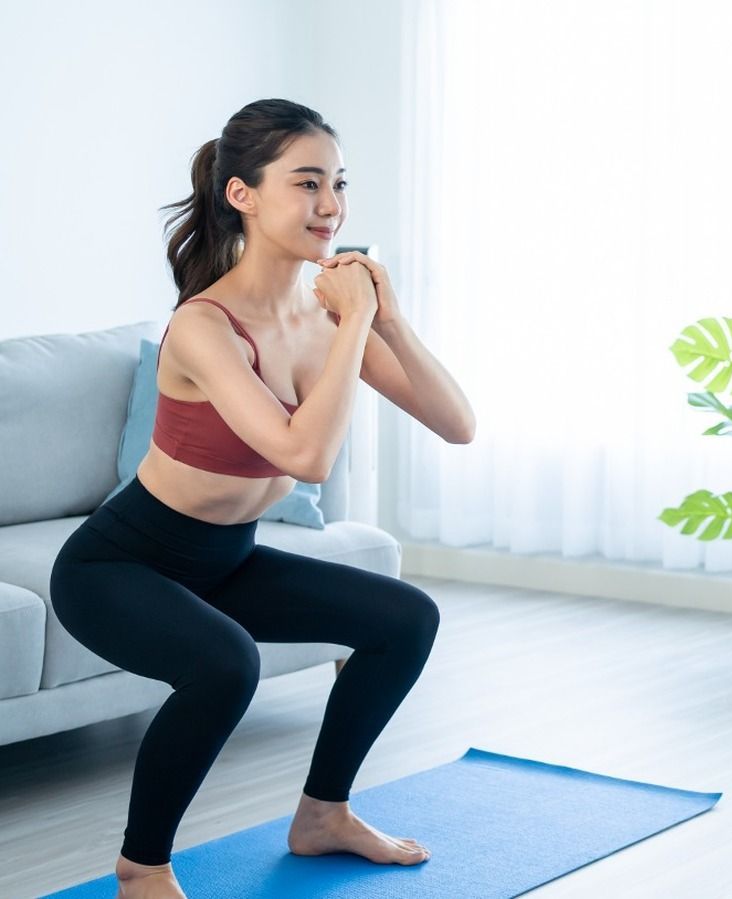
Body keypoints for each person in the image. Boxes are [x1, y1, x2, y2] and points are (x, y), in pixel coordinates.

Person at [48, 98, 476, 899]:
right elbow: (304, 456)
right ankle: (142, 869)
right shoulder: (204, 326)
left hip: (225, 559)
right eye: (307, 183)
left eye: (339, 184)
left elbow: (457, 424)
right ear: (242, 194)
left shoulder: (324, 320)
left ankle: (323, 815)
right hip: (118, 565)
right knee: (225, 664)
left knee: (405, 619)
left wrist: (392, 320)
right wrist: (352, 324)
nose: (330, 206)